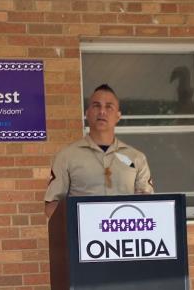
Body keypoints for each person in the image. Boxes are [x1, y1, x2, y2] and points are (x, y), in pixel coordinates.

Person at [44, 84, 153, 217]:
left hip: (124, 234)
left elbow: (148, 205)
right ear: (87, 113)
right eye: (96, 106)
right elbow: (50, 206)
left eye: (109, 107)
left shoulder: (136, 158)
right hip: (84, 236)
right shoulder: (66, 157)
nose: (102, 111)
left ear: (118, 116)